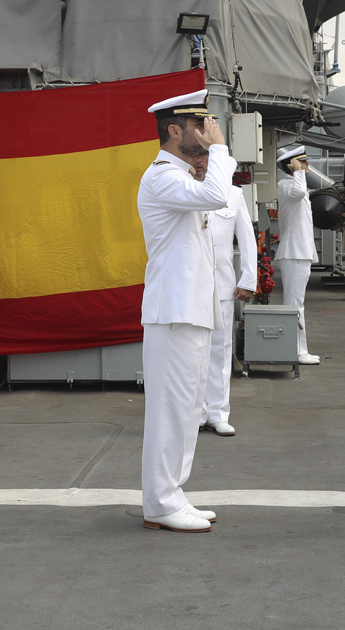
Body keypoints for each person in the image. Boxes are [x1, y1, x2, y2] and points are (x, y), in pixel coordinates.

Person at [137, 88, 233, 533]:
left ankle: (172, 493)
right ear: (175, 131)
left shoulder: (183, 175)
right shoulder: (162, 176)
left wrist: (210, 154)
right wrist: (222, 150)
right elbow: (217, 196)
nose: (208, 131)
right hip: (173, 312)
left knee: (187, 406)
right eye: (200, 125)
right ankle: (159, 502)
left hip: (189, 309)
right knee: (169, 410)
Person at [189, 154, 256, 437]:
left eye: (205, 156)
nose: (200, 162)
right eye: (195, 157)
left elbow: (247, 238)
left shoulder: (234, 194)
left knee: (220, 349)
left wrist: (249, 279)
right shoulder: (185, 188)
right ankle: (195, 414)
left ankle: (218, 412)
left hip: (222, 284)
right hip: (190, 285)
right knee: (192, 352)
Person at [274, 144, 320, 365]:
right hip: (293, 252)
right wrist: (297, 172)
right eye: (302, 162)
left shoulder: (295, 184)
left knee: (296, 303)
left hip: (299, 252)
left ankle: (297, 348)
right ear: (292, 166)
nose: (307, 165)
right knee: (294, 304)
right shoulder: (286, 185)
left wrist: (298, 172)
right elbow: (298, 192)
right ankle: (296, 350)